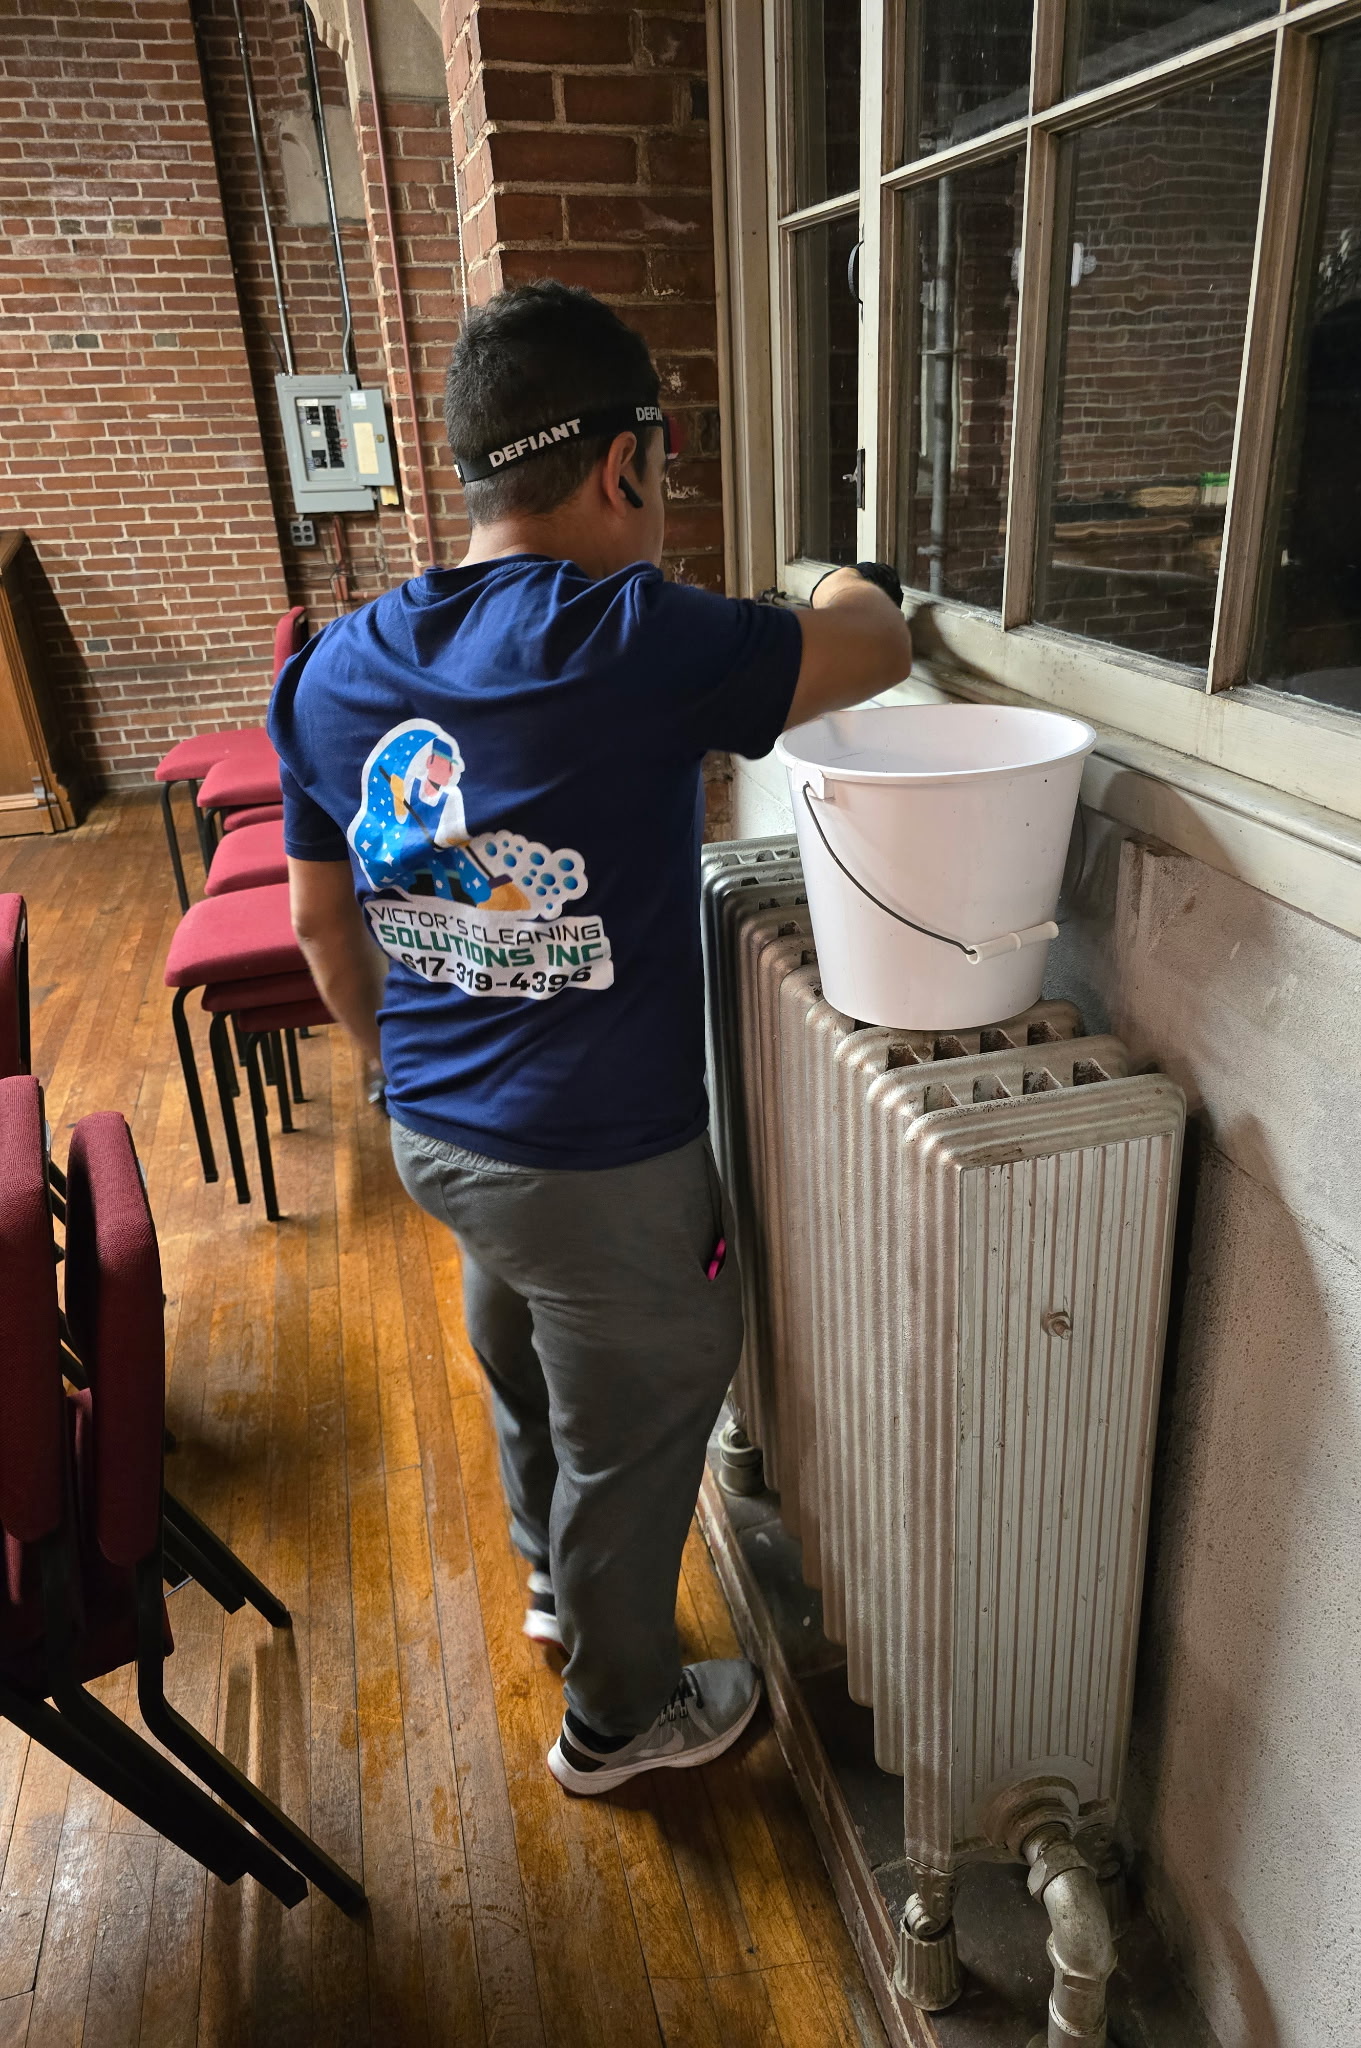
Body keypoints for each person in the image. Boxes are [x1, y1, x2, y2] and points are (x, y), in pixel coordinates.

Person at [270, 281, 910, 1795]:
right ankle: (619, 1720)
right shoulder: (628, 634)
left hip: (436, 1131)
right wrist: (847, 573)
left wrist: (395, 1067)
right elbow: (871, 646)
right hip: (598, 1162)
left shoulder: (335, 668)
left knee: (520, 1344)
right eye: (663, 471)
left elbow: (318, 924)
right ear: (625, 463)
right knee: (646, 1403)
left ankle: (553, 1586)